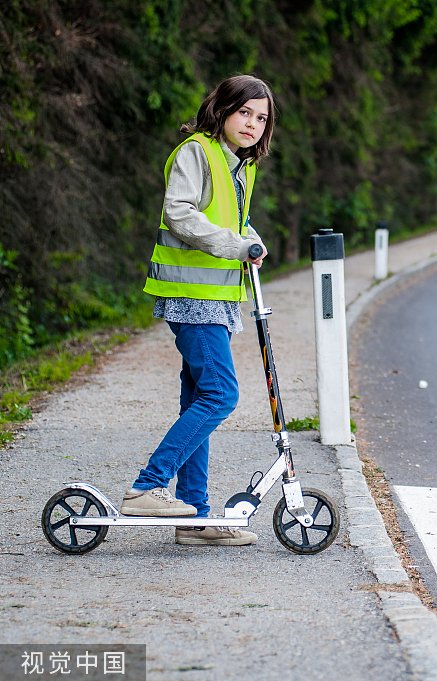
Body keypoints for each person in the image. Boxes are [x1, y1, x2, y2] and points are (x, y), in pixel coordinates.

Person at [120, 75, 275, 547]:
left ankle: (194, 515)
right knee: (220, 395)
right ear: (224, 110)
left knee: (198, 399)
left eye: (262, 117)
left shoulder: (241, 166)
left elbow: (233, 219)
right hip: (192, 296)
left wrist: (252, 238)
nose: (252, 124)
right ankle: (147, 487)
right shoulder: (196, 151)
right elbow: (180, 212)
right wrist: (235, 244)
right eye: (245, 112)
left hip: (218, 299)